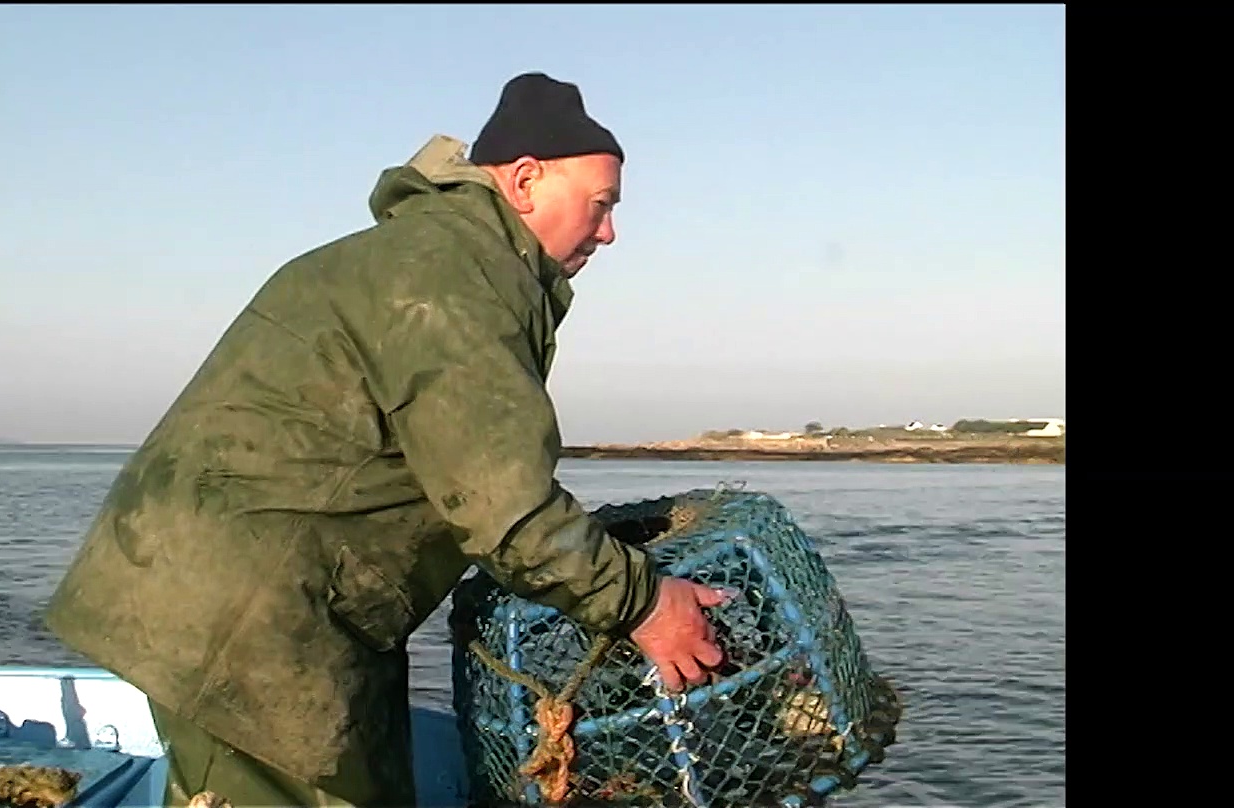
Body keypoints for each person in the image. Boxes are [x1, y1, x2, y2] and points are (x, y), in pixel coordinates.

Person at [43, 71, 730, 808]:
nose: (609, 233)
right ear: (526, 180)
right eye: (601, 206)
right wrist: (645, 604)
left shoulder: (435, 255)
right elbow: (507, 508)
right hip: (250, 626)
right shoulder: (455, 281)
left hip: (250, 606)